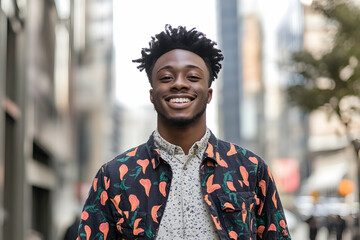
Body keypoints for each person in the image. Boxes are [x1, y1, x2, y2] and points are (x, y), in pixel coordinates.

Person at [77, 24, 291, 240]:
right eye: (167, 77)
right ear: (152, 95)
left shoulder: (252, 169)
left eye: (192, 77)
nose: (179, 84)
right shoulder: (113, 176)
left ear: (208, 94)